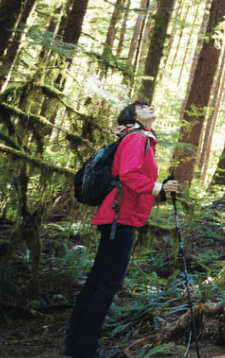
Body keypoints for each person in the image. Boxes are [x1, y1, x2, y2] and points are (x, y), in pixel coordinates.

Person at [64, 100, 179, 358]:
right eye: (142, 106)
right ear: (132, 116)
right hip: (119, 217)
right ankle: (87, 347)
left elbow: (132, 180)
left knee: (98, 281)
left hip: (118, 215)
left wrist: (160, 191)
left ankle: (75, 342)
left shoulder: (140, 138)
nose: (149, 107)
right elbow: (128, 174)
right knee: (107, 284)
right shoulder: (137, 138)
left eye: (149, 105)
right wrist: (159, 188)